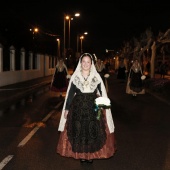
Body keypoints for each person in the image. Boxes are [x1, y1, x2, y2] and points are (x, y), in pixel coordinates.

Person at [56, 53, 116, 163]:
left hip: (93, 108)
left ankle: (90, 155)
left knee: (92, 130)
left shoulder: (96, 77)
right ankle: (82, 155)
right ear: (80, 63)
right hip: (77, 108)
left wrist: (104, 106)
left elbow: (102, 92)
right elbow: (70, 94)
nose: (86, 64)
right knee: (80, 130)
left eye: (88, 62)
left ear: (91, 63)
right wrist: (67, 109)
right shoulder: (76, 76)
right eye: (83, 61)